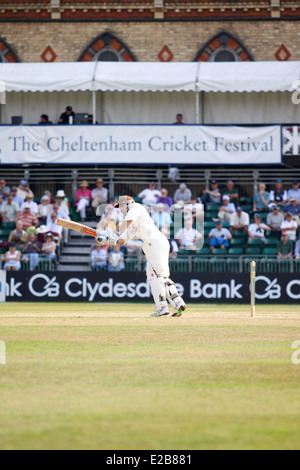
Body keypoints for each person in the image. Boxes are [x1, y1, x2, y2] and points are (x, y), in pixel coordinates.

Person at [97, 195, 186, 317]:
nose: (120, 209)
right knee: (154, 275)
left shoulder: (136, 207)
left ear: (128, 203)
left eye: (122, 206)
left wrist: (116, 234)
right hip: (154, 242)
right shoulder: (131, 223)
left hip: (153, 241)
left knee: (159, 275)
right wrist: (108, 240)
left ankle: (171, 304)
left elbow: (126, 223)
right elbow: (123, 240)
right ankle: (168, 306)